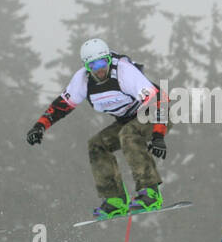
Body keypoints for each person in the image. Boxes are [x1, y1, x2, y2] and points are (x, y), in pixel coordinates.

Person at [26, 38, 168, 219]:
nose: (99, 69)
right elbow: (62, 105)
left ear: (109, 60)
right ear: (86, 67)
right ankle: (115, 199)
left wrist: (158, 135)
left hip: (158, 112)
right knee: (97, 144)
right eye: (93, 65)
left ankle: (150, 192)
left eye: (102, 62)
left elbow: (159, 101)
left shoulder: (124, 72)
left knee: (128, 134)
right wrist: (40, 126)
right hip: (128, 119)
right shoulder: (82, 80)